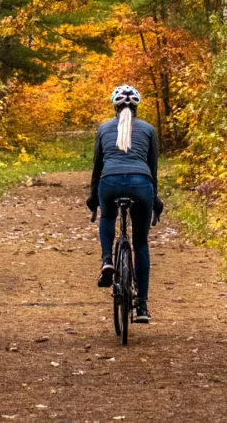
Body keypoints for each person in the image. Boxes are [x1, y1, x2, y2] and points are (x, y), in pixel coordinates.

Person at [88, 82, 163, 323]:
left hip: (109, 182)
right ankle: (141, 306)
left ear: (115, 107)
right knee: (140, 244)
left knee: (108, 216)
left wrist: (93, 198)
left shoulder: (103, 129)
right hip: (142, 184)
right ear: (137, 108)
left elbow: (97, 167)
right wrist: (156, 199)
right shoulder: (149, 129)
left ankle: (108, 261)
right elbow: (152, 169)